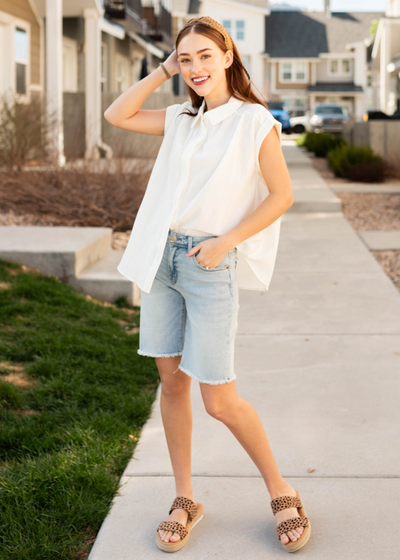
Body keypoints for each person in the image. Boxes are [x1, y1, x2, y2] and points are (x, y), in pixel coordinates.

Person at [104, 16, 311, 554]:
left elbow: (281, 194)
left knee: (219, 400)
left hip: (209, 262)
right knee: (171, 382)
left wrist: (227, 240)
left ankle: (282, 490)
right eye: (186, 58)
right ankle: (185, 497)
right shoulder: (179, 118)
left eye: (203, 56)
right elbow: (116, 114)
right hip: (162, 262)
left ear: (227, 56)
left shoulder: (254, 121)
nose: (195, 67)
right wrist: (161, 70)